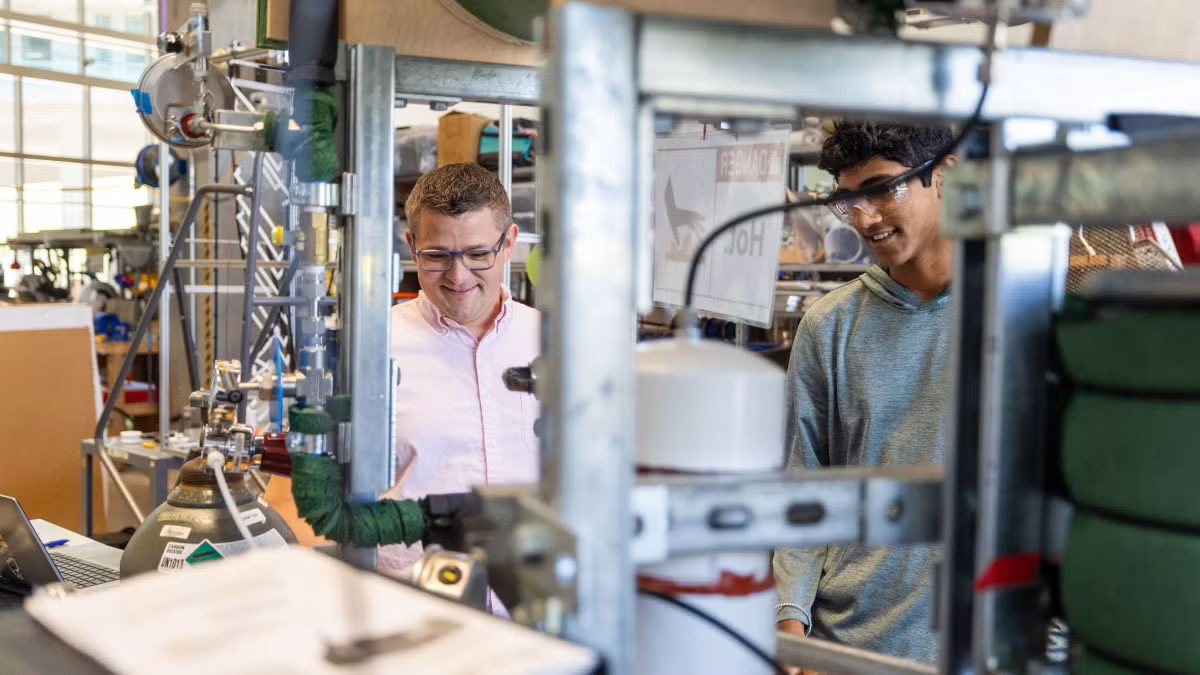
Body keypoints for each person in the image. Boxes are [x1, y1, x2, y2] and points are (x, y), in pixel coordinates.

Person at [773, 122, 958, 666]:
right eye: (849, 200)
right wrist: (790, 634)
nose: (865, 218)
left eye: (882, 189)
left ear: (943, 176)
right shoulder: (829, 325)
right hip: (847, 647)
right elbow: (803, 489)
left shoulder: (1016, 312)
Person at [378, 162, 540, 579]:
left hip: (534, 609)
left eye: (477, 254)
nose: (458, 275)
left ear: (509, 244)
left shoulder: (555, 344)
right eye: (436, 256)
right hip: (410, 607)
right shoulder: (371, 346)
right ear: (412, 245)